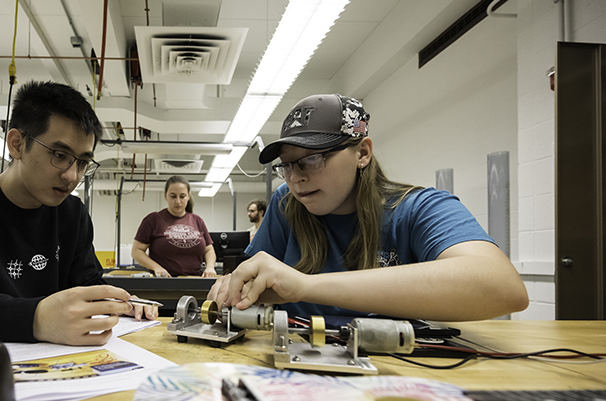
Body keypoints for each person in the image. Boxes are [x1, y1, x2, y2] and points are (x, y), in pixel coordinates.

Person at [209, 94, 528, 322]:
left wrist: (305, 287)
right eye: (288, 165)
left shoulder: (417, 209)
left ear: (362, 152)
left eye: (312, 159)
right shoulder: (287, 204)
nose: (297, 178)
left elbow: (501, 287)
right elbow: (251, 288)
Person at [0, 81, 157, 345]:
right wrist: (33, 318)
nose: (72, 175)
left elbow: (87, 282)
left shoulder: (72, 214)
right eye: (59, 154)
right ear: (16, 144)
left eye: (82, 162)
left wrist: (119, 301)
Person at [132, 175, 217, 278]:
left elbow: (209, 250)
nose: (178, 201)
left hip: (195, 280)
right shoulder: (153, 220)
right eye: (173, 196)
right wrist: (156, 267)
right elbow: (136, 251)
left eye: (182, 196)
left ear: (188, 196)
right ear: (165, 196)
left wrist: (210, 267)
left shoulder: (197, 220)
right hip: (164, 282)